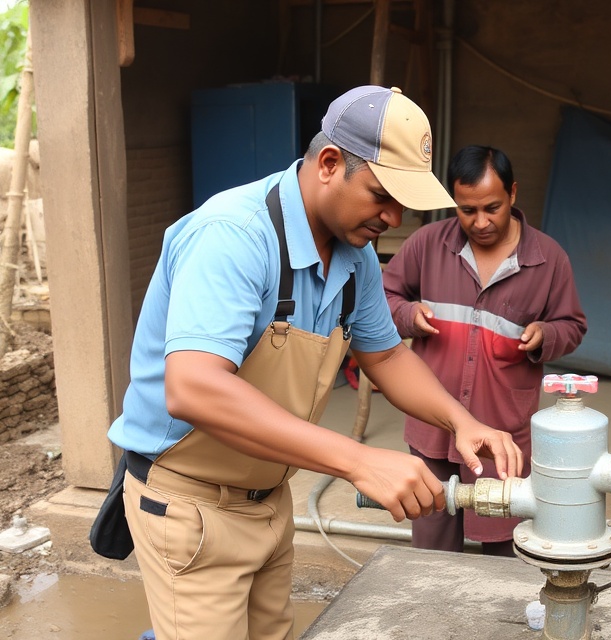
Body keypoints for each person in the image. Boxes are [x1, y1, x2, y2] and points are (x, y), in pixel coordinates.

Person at [106, 86, 523, 639]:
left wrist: (461, 420)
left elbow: (388, 355)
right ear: (329, 163)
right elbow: (195, 388)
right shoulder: (233, 237)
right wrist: (358, 461)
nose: (393, 217)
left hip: (267, 498)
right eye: (381, 195)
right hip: (193, 505)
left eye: (405, 203)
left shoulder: (355, 255)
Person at [382, 145, 587, 556]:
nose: (480, 222)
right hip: (433, 423)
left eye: (492, 207)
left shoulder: (549, 260)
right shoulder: (427, 244)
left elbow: (573, 325)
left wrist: (546, 335)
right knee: (432, 539)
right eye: (466, 210)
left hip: (502, 431)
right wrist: (406, 314)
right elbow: (384, 296)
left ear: (512, 193)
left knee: (505, 538)